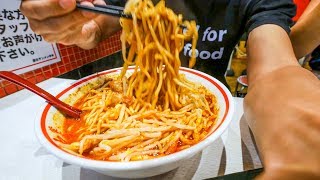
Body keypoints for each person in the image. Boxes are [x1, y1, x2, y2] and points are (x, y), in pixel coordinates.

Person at [20, 0, 320, 178]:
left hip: (195, 114)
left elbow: (276, 62)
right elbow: (96, 25)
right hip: (125, 99)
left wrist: (292, 99)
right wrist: (71, 25)